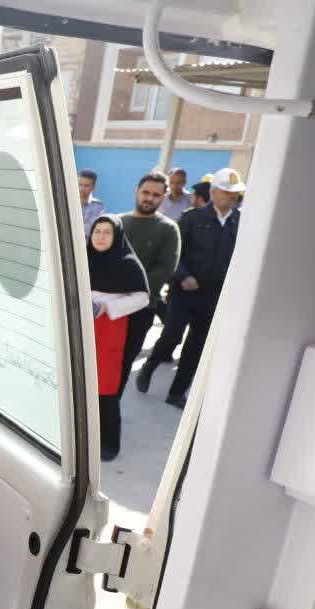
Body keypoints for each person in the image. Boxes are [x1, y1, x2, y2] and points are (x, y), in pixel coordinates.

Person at [137, 166, 245, 408]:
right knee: (172, 335)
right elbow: (175, 253)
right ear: (215, 192)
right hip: (185, 291)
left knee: (197, 345)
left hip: (214, 294)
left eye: (235, 193)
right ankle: (149, 365)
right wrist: (183, 276)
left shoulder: (241, 222)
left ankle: (177, 392)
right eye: (227, 192)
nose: (232, 197)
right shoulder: (191, 218)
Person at [87, 215, 151, 460]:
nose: (100, 237)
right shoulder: (83, 259)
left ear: (117, 236)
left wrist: (107, 306)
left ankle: (108, 443)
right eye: (97, 231)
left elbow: (142, 298)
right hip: (82, 327)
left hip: (109, 330)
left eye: (106, 232)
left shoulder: (127, 264)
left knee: (105, 387)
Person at [120, 171, 181, 390]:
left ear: (163, 198)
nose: (149, 198)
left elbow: (165, 270)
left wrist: (126, 289)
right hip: (104, 306)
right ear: (137, 191)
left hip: (140, 309)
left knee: (121, 366)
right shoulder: (117, 222)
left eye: (156, 195)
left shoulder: (168, 229)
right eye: (145, 192)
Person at [79, 169, 105, 236]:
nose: (81, 188)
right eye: (80, 184)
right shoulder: (68, 202)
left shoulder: (98, 206)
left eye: (86, 186)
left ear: (93, 187)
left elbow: (91, 229)